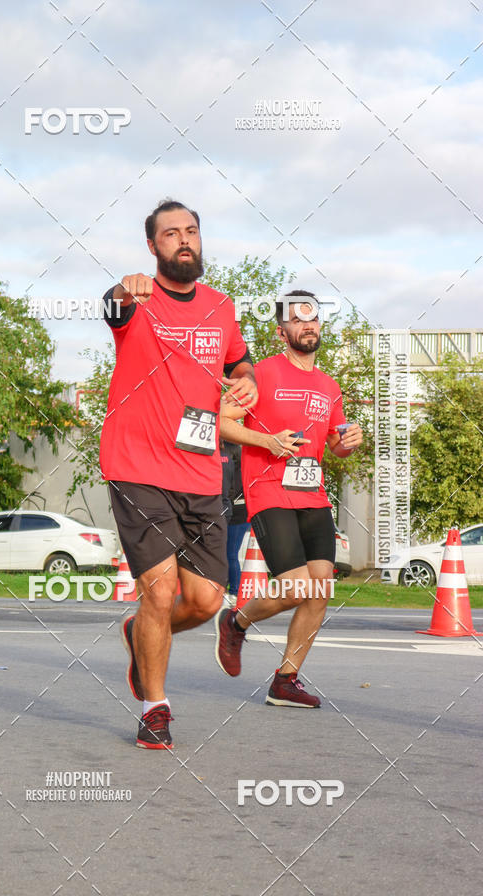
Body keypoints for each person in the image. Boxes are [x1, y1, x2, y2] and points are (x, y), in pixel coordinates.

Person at [100, 199, 258, 748]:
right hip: (137, 465)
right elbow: (113, 305)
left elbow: (239, 360)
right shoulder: (137, 299)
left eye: (191, 230)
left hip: (199, 470)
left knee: (208, 600)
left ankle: (137, 633)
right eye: (170, 233)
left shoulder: (221, 306)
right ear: (152, 246)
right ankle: (154, 708)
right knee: (161, 593)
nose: (183, 239)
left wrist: (247, 382)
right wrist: (125, 289)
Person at [215, 290, 363, 707]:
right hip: (268, 491)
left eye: (313, 319)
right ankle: (236, 621)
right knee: (296, 587)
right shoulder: (261, 374)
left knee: (319, 591)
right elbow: (221, 423)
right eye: (298, 320)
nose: (308, 326)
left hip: (312, 496)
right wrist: (267, 440)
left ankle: (285, 681)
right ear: (282, 331)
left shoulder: (329, 386)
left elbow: (336, 445)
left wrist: (350, 440)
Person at [222, 440, 249, 604]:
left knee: (230, 553)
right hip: (232, 509)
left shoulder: (232, 458)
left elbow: (232, 489)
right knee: (227, 554)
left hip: (238, 511)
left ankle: (234, 592)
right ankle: (227, 590)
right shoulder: (234, 456)